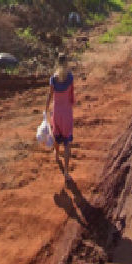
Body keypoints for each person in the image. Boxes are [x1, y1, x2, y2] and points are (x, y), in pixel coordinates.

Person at [45, 52, 75, 183]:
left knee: (56, 135)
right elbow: (72, 97)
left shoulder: (53, 79)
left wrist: (46, 109)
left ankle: (57, 155)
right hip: (67, 112)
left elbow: (50, 95)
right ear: (67, 63)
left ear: (57, 63)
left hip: (56, 112)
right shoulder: (70, 78)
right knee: (67, 142)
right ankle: (67, 173)